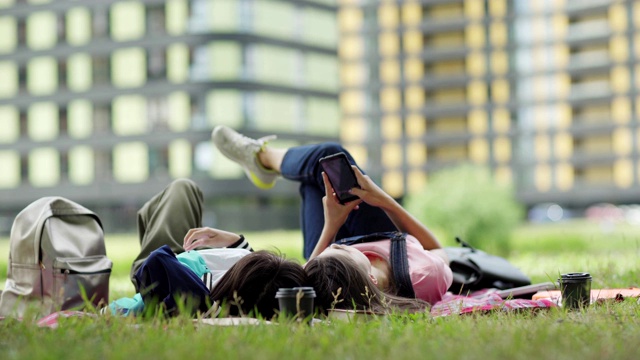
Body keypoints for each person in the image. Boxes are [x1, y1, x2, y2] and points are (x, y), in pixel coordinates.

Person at [211, 126, 453, 314]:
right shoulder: (423, 274)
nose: (339, 243)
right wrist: (383, 200)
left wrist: (331, 226)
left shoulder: (324, 275)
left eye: (334, 245)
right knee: (326, 158)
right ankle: (263, 158)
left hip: (331, 263)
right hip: (389, 243)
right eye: (340, 246)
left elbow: (307, 271)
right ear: (370, 277)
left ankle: (263, 162)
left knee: (314, 182)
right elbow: (437, 249)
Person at [106, 178, 307, 318]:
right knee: (154, 208)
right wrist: (236, 242)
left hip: (170, 269)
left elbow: (158, 265)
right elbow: (267, 278)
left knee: (181, 189)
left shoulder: (194, 291)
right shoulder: (279, 284)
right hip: (190, 263)